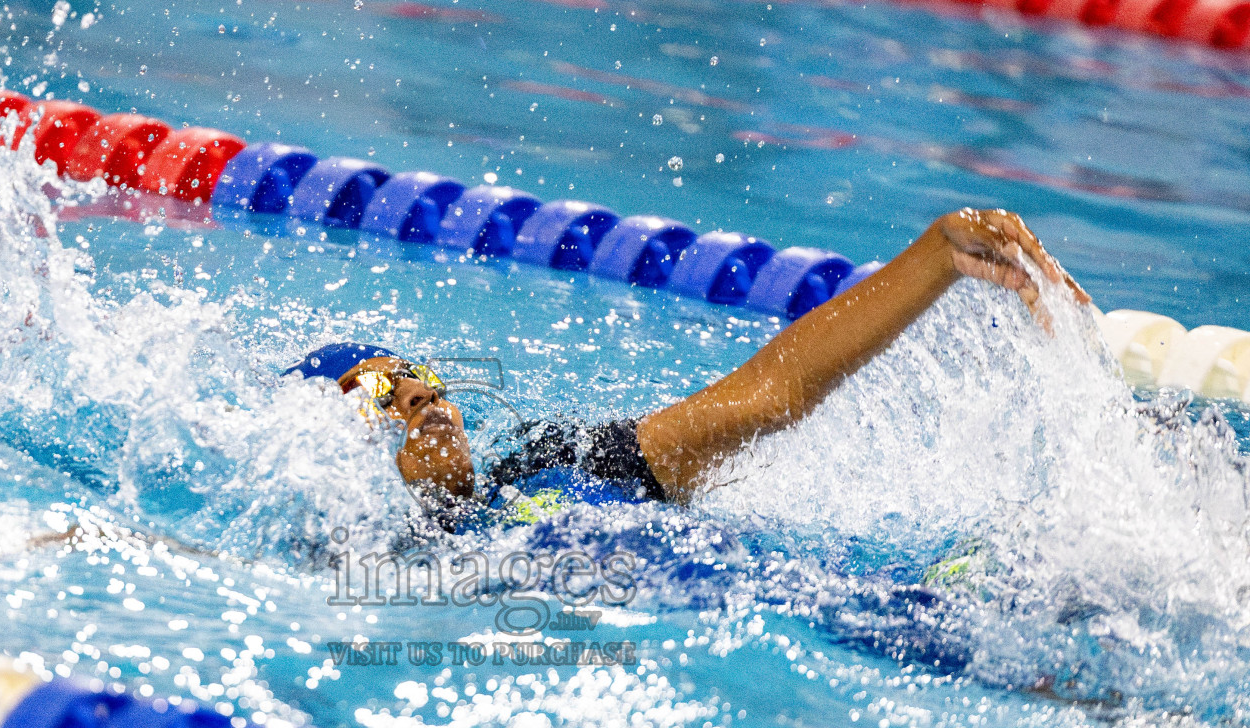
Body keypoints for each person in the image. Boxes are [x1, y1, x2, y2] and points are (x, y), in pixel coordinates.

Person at [283, 208, 1089, 528]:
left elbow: (766, 399)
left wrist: (935, 258)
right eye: (383, 390)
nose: (421, 392)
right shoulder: (358, 568)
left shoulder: (552, 463)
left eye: (420, 374)